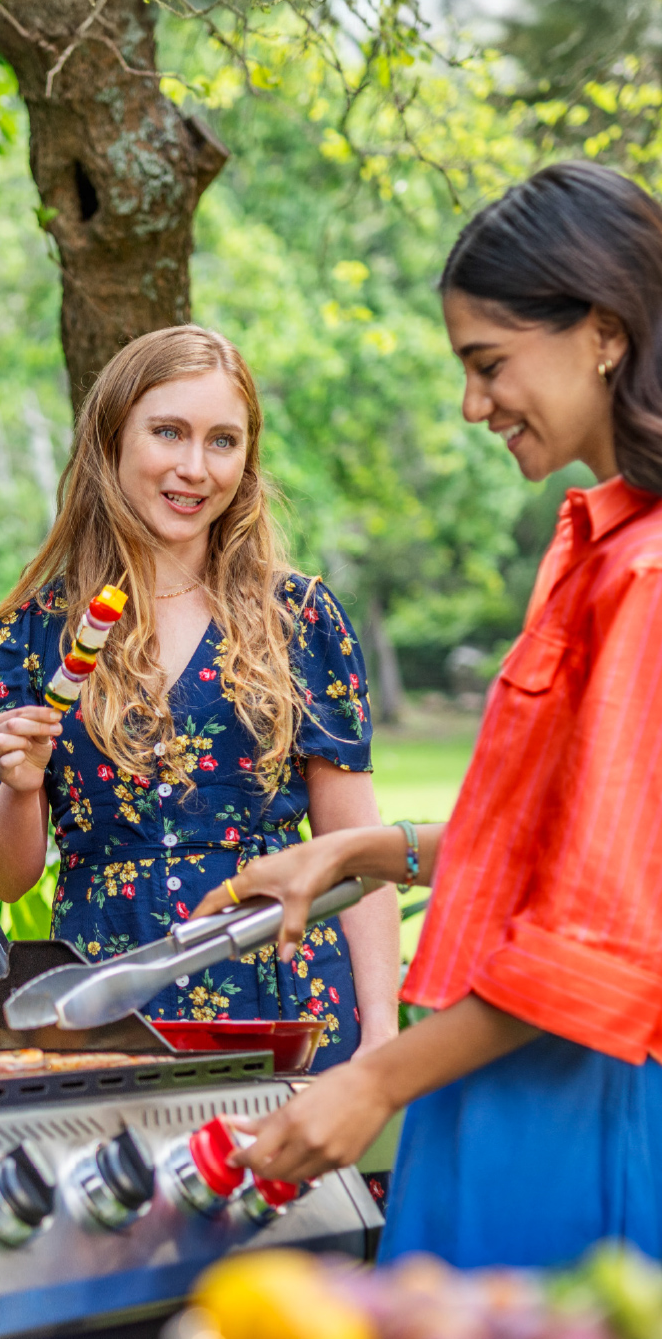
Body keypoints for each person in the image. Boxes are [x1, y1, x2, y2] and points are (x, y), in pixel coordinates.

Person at [193, 162, 662, 1264]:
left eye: (489, 364)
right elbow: (570, 848)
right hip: (488, 1085)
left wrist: (370, 1083)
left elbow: (598, 937)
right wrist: (362, 849)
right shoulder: (595, 549)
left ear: (602, 329)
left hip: (566, 1106)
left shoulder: (648, 578)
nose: (472, 404)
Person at [0, 324, 399, 1069]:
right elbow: (8, 874)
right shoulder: (28, 634)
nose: (195, 468)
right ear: (112, 442)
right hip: (107, 1005)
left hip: (288, 1000)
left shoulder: (298, 618)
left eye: (223, 441)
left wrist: (383, 1045)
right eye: (169, 433)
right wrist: (18, 788)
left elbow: (354, 853)